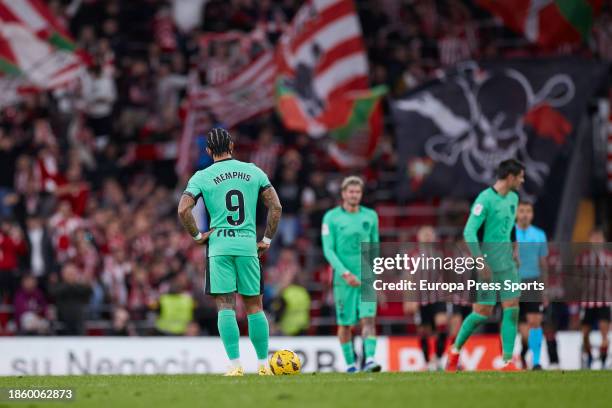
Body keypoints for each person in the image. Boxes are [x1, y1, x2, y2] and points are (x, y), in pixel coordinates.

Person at [177, 128, 282, 376]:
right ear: (232, 146)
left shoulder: (201, 176)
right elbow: (276, 206)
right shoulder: (253, 171)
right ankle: (263, 365)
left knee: (225, 306)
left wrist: (197, 236)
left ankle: (235, 366)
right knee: (255, 306)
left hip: (219, 247)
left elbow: (183, 209)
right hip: (247, 246)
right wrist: (266, 239)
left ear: (208, 151)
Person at [446, 159, 525, 371]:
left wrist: (515, 250)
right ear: (510, 177)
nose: (522, 180)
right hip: (487, 265)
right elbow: (469, 232)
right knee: (482, 312)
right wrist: (479, 260)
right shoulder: (485, 199)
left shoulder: (514, 198)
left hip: (507, 264)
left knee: (512, 308)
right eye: (520, 176)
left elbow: (510, 228)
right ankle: (454, 351)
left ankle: (508, 360)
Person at [321, 176, 381, 373]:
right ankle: (350, 364)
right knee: (346, 325)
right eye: (351, 192)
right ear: (343, 193)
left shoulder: (371, 216)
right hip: (343, 280)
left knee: (368, 319)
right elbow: (329, 250)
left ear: (361, 194)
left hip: (366, 277)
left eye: (357, 192)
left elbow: (374, 247)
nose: (354, 195)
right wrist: (345, 273)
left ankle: (370, 359)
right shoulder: (331, 218)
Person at [404, 226, 450, 371]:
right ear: (419, 238)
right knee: (424, 331)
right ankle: (427, 361)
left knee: (442, 324)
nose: (427, 237)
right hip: (420, 299)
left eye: (430, 234)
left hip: (439, 297)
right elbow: (409, 278)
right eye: (424, 234)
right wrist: (409, 300)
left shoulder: (441, 255)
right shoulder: (413, 256)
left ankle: (438, 358)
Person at [515, 201, 548, 370]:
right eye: (521, 211)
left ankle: (536, 362)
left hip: (533, 282)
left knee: (536, 322)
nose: (525, 214)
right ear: (516, 214)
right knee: (525, 333)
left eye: (528, 211)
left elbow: (543, 263)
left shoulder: (540, 235)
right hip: (513, 283)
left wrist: (545, 289)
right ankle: (522, 353)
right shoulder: (509, 233)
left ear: (532, 214)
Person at [578, 229, 611, 369]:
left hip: (604, 301)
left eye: (599, 238)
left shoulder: (609, 257)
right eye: (594, 238)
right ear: (589, 240)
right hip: (587, 302)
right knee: (585, 334)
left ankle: (603, 361)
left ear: (603, 240)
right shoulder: (583, 257)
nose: (597, 241)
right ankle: (589, 356)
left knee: (605, 332)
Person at [49, 263, 93, 335]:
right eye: (68, 273)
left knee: (79, 312)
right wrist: (69, 285)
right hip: (62, 315)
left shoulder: (80, 285)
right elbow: (53, 293)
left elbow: (88, 291)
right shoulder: (58, 285)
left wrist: (73, 284)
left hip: (78, 316)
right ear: (63, 274)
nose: (70, 276)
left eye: (72, 273)